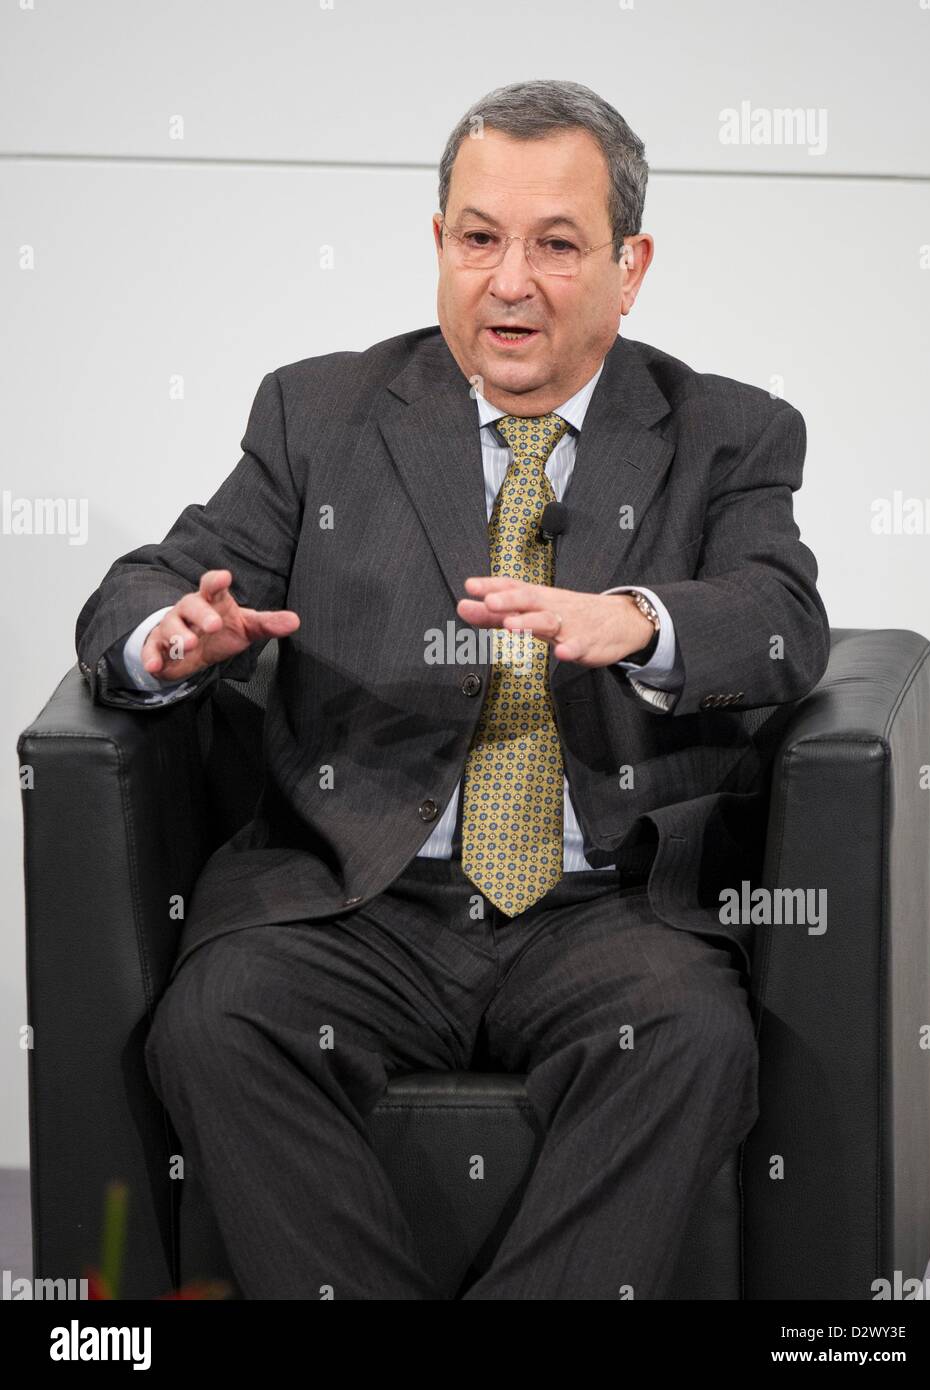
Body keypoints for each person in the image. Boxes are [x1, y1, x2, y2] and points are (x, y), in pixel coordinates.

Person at [74, 78, 830, 1300]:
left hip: (604, 908)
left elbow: (785, 621)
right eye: (478, 238)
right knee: (216, 1020)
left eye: (555, 244)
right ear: (438, 244)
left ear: (629, 268)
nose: (509, 281)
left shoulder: (726, 432)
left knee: (690, 1041)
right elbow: (150, 582)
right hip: (359, 898)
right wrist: (171, 636)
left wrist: (634, 619)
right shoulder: (319, 412)